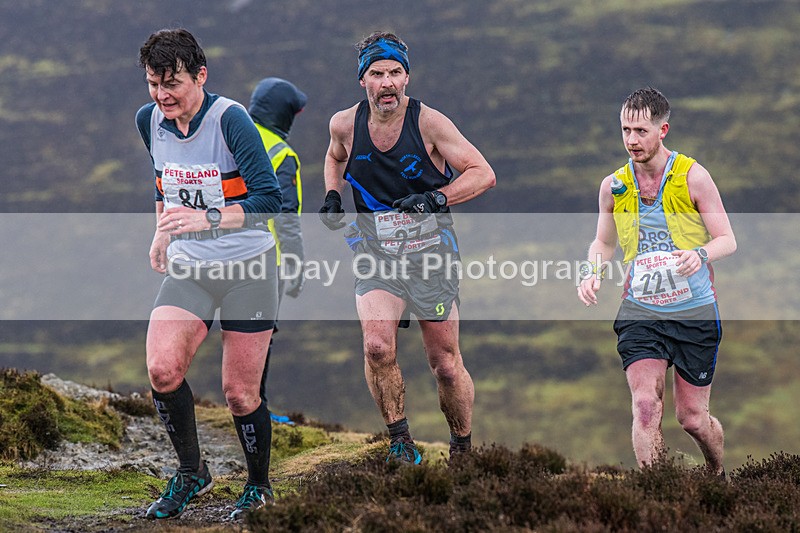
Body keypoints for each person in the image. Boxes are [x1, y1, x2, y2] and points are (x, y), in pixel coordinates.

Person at [319, 31, 496, 463]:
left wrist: (437, 198)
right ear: (363, 81)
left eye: (395, 72)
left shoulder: (429, 123)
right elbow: (335, 155)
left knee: (445, 364)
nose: (388, 83)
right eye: (377, 74)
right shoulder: (344, 123)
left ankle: (462, 449)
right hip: (376, 256)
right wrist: (332, 195)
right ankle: (400, 443)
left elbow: (482, 173)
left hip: (431, 258)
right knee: (377, 346)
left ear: (407, 78)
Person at [135, 28, 282, 519]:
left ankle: (259, 487)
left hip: (248, 268)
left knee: (240, 394)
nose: (162, 95)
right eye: (154, 83)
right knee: (161, 368)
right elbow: (163, 182)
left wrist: (210, 218)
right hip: (191, 268)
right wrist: (162, 232)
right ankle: (192, 472)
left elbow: (269, 202)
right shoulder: (149, 120)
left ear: (201, 76)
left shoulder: (230, 120)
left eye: (172, 83)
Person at [577, 87, 736, 476]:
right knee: (646, 406)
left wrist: (698, 254)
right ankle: (658, 493)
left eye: (641, 131)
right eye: (625, 130)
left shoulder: (693, 177)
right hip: (641, 310)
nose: (632, 140)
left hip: (694, 312)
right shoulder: (613, 186)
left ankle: (717, 472)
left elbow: (728, 240)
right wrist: (592, 271)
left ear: (662, 130)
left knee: (692, 418)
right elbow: (603, 241)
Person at [247, 77, 307, 413]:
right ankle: (258, 407)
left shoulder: (233, 136)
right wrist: (296, 266)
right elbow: (287, 216)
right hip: (268, 261)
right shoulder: (281, 153)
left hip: (225, 253)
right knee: (261, 333)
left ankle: (246, 402)